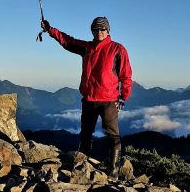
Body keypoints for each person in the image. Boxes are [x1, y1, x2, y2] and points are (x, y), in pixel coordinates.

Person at [41, 16, 133, 178]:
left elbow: (125, 75)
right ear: (92, 31)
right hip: (89, 99)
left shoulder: (118, 49)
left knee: (112, 135)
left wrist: (123, 96)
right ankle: (82, 165)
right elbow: (67, 41)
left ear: (108, 31)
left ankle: (113, 171)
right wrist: (50, 30)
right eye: (96, 29)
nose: (99, 32)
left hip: (109, 101)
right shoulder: (87, 47)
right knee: (86, 133)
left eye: (102, 29)